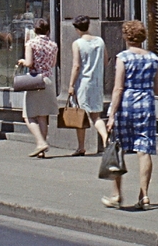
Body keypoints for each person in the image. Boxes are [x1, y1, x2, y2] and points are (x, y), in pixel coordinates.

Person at [103, 18, 158, 210]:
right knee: (144, 150)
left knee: (118, 148)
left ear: (127, 37)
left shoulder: (123, 57)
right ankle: (144, 195)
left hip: (126, 106)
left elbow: (118, 88)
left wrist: (111, 114)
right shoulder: (153, 58)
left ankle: (117, 195)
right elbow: (157, 88)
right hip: (146, 106)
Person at [68, 16, 109, 155]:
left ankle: (81, 147)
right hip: (97, 83)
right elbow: (105, 61)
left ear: (77, 28)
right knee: (96, 116)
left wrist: (71, 85)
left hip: (83, 83)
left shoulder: (77, 43)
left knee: (81, 116)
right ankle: (104, 137)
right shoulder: (100, 41)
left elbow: (76, 65)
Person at [18, 18, 59, 158]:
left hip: (34, 80)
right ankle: (42, 149)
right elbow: (53, 63)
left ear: (35, 30)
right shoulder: (53, 45)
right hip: (47, 79)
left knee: (28, 116)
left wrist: (22, 61)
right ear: (48, 30)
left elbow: (29, 63)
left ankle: (40, 142)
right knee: (43, 116)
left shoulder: (31, 43)